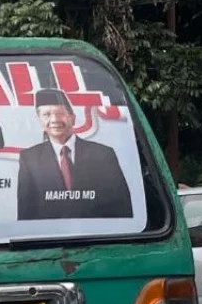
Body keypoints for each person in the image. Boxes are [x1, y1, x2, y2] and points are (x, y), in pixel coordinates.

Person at [16, 88, 134, 221]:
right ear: (39, 121)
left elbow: (122, 206)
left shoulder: (103, 154)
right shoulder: (29, 158)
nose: (54, 120)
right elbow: (25, 213)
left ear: (72, 118)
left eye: (60, 113)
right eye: (47, 114)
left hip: (97, 237)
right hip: (51, 239)